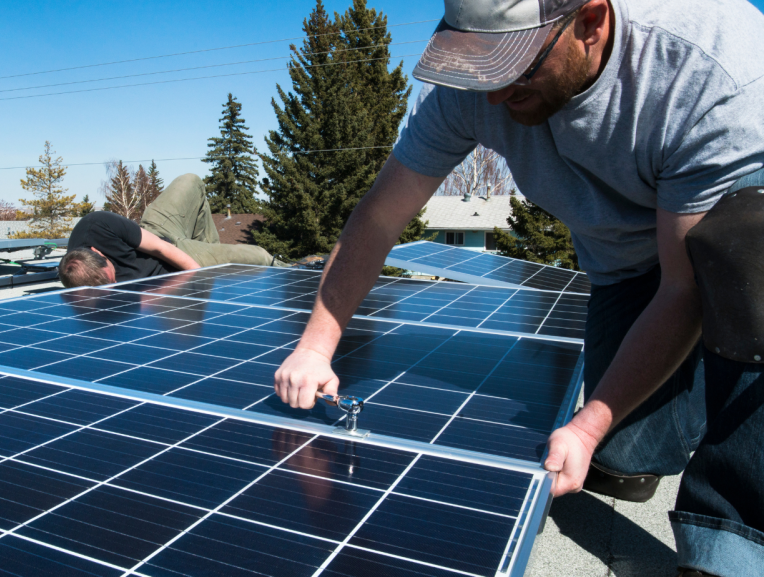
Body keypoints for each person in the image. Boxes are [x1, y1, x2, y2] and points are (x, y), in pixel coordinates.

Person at [271, 0, 764, 575]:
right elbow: (380, 217)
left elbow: (682, 289)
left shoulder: (711, 73)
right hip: (622, 258)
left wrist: (584, 425)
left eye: (516, 69)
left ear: (591, 22)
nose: (494, 97)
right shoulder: (471, 84)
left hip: (736, 231)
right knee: (625, 451)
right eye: (480, 67)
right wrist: (315, 345)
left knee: (745, 299)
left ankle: (732, 544)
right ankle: (682, 394)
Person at [58, 173, 275, 287]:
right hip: (169, 274)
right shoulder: (84, 285)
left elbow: (161, 248)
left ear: (97, 252)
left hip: (162, 239)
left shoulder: (98, 224)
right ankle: (301, 267)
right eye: (112, 285)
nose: (116, 283)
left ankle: (209, 251)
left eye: (113, 277)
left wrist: (203, 279)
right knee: (259, 257)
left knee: (191, 181)